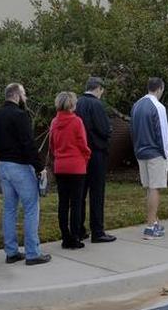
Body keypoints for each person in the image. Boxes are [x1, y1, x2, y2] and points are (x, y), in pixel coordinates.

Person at [0, 82, 50, 265]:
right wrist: (40, 167)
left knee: (9, 209)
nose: (25, 98)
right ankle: (32, 253)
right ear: (16, 95)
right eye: (24, 95)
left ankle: (11, 252)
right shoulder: (20, 115)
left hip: (3, 166)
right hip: (20, 167)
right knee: (31, 208)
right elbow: (28, 144)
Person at [74, 76, 115, 243]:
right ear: (98, 88)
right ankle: (97, 231)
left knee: (80, 194)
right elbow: (104, 129)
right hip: (96, 153)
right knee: (97, 193)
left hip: (80, 155)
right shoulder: (96, 104)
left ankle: (78, 229)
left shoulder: (77, 103)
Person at [130, 77, 168, 239]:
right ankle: (151, 225)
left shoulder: (137, 105)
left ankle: (153, 221)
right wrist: (166, 152)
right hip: (155, 152)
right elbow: (162, 132)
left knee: (148, 187)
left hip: (140, 151)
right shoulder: (158, 106)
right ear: (159, 89)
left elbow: (132, 129)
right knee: (155, 188)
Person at [50, 91, 90, 249]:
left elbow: (52, 145)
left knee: (63, 203)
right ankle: (75, 236)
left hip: (60, 165)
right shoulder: (76, 122)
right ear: (72, 104)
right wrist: (86, 157)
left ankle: (65, 237)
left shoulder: (54, 122)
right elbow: (83, 144)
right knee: (76, 203)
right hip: (76, 166)